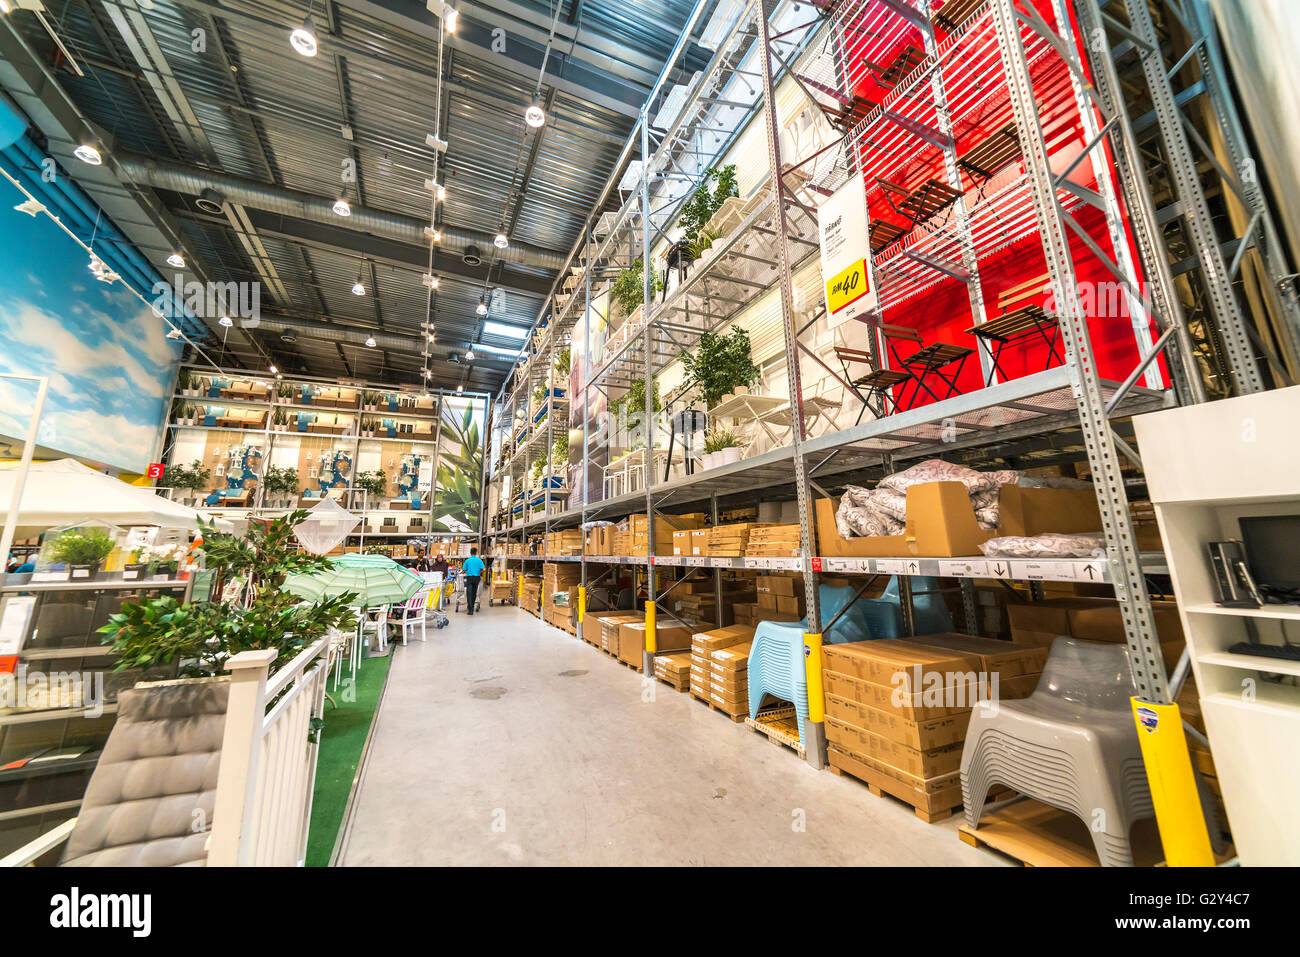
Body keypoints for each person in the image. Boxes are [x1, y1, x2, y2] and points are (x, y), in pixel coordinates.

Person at [461, 547, 485, 615]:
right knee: (474, 593)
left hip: (469, 578)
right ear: (476, 553)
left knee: (469, 593)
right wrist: (478, 572)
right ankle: (473, 606)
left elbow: (463, 570)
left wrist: (465, 571)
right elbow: (484, 569)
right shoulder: (479, 560)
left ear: (470, 553)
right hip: (477, 578)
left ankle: (470, 609)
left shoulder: (467, 561)